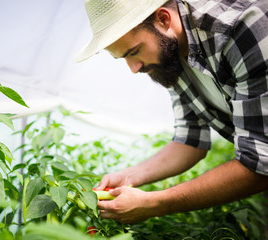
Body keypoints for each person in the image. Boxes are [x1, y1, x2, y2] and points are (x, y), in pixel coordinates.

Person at [75, 0, 268, 224]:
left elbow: (259, 163)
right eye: (123, 58)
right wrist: (129, 176)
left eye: (134, 52)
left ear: (164, 19)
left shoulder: (241, 28)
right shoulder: (172, 55)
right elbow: (190, 141)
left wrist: (154, 203)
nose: (134, 68)